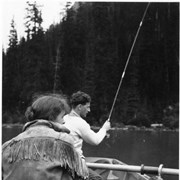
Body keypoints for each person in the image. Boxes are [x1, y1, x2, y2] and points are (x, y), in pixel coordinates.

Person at [2, 93, 88, 180]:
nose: (64, 122)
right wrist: (79, 156)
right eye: (62, 117)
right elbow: (82, 174)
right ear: (51, 117)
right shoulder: (63, 140)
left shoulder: (6, 146)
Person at [63, 91, 111, 180]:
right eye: (87, 107)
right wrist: (104, 129)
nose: (89, 110)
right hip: (74, 165)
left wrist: (102, 134)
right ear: (80, 107)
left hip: (63, 162)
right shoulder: (80, 123)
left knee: (101, 166)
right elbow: (95, 141)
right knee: (97, 178)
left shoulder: (63, 118)